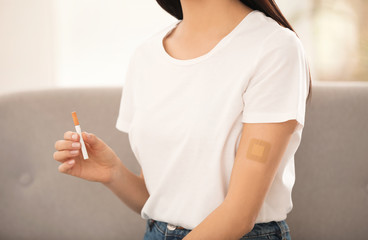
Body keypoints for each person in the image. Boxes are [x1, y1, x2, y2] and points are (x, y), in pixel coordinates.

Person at [53, 0, 312, 239]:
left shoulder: (274, 48)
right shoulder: (146, 56)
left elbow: (239, 216)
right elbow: (162, 202)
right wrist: (114, 173)